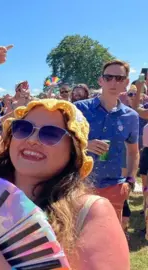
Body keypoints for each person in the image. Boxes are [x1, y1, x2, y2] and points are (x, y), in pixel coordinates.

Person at [0, 3, 129, 269]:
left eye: (51, 134)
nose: (33, 139)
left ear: (73, 151)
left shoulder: (89, 212)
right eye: (24, 129)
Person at [75, 60, 139, 223]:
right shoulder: (79, 109)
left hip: (114, 186)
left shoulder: (130, 116)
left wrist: (130, 181)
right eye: (108, 77)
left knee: (109, 240)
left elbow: (133, 151)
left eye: (119, 78)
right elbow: (61, 140)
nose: (113, 82)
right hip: (79, 185)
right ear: (100, 80)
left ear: (125, 82)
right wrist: (86, 144)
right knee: (76, 238)